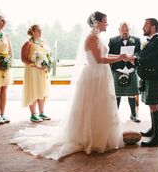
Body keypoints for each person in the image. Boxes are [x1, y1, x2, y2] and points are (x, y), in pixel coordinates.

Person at [11, 11, 127, 160]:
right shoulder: (92, 37)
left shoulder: (97, 37)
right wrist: (120, 58)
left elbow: (104, 55)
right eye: (105, 21)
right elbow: (99, 59)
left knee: (101, 104)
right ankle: (91, 138)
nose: (107, 24)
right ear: (97, 23)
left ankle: (102, 135)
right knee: (93, 105)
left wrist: (121, 57)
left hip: (101, 75)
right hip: (94, 76)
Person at [133, 18, 158, 147]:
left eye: (145, 26)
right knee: (151, 105)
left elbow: (151, 60)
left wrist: (136, 61)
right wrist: (137, 58)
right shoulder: (151, 41)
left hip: (154, 78)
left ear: (153, 27)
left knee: (155, 106)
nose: (143, 28)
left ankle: (157, 138)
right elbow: (143, 56)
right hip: (149, 77)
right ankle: (153, 130)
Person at [108, 22, 141, 123]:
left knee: (132, 94)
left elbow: (139, 52)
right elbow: (109, 55)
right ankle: (115, 116)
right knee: (116, 95)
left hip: (131, 70)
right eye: (123, 30)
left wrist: (133, 57)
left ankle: (134, 115)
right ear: (119, 30)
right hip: (118, 70)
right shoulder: (112, 40)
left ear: (129, 30)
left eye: (127, 30)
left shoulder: (136, 40)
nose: (125, 32)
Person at [21, 25, 51, 122]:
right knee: (33, 90)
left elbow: (47, 55)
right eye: (38, 30)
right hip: (33, 70)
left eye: (41, 30)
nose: (40, 32)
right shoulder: (28, 43)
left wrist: (47, 63)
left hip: (42, 70)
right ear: (32, 31)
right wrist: (36, 65)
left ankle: (42, 112)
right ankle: (33, 114)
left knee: (42, 90)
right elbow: (23, 59)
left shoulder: (43, 42)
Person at [0, 15, 13, 125]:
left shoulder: (6, 36)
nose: (4, 22)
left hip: (5, 67)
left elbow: (10, 51)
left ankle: (3, 114)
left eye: (4, 21)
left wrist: (8, 63)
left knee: (4, 90)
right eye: (2, 20)